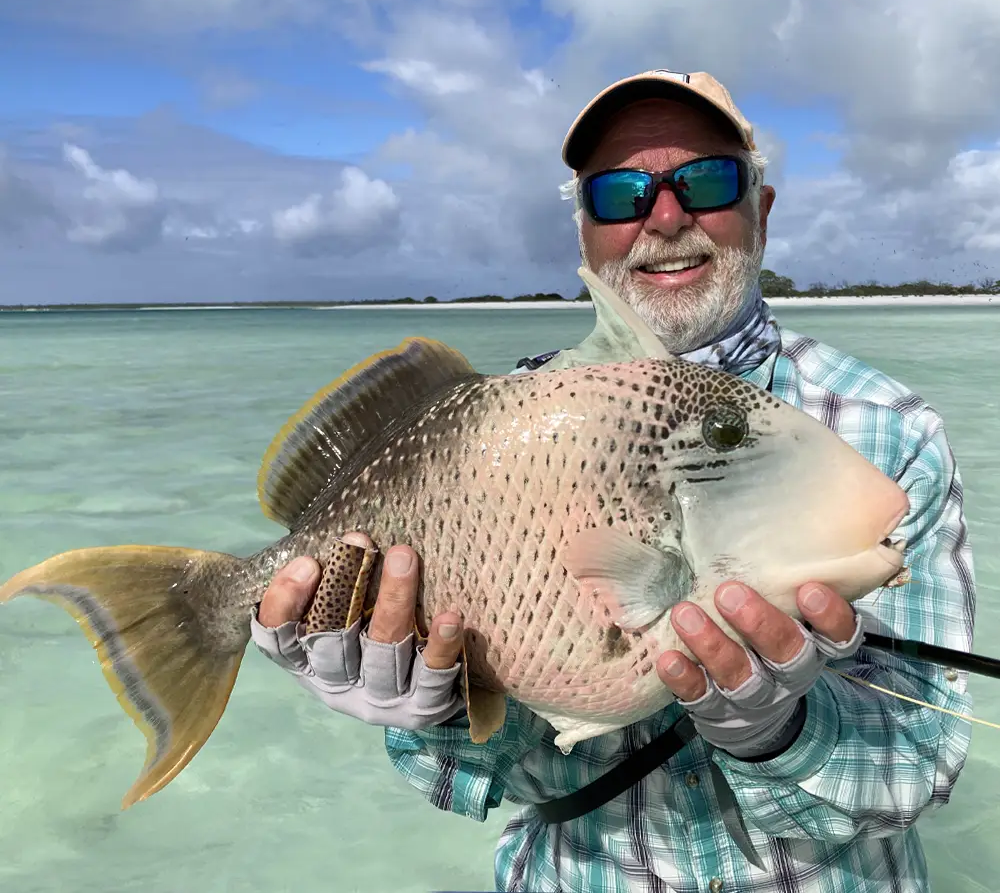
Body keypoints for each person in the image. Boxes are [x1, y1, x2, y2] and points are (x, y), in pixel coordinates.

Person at [250, 70, 976, 893]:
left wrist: (782, 731)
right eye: (620, 194)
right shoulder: (502, 420)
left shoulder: (891, 430)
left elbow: (924, 761)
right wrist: (436, 711)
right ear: (585, 231)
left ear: (762, 210)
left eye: (707, 181)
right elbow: (460, 781)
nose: (664, 218)